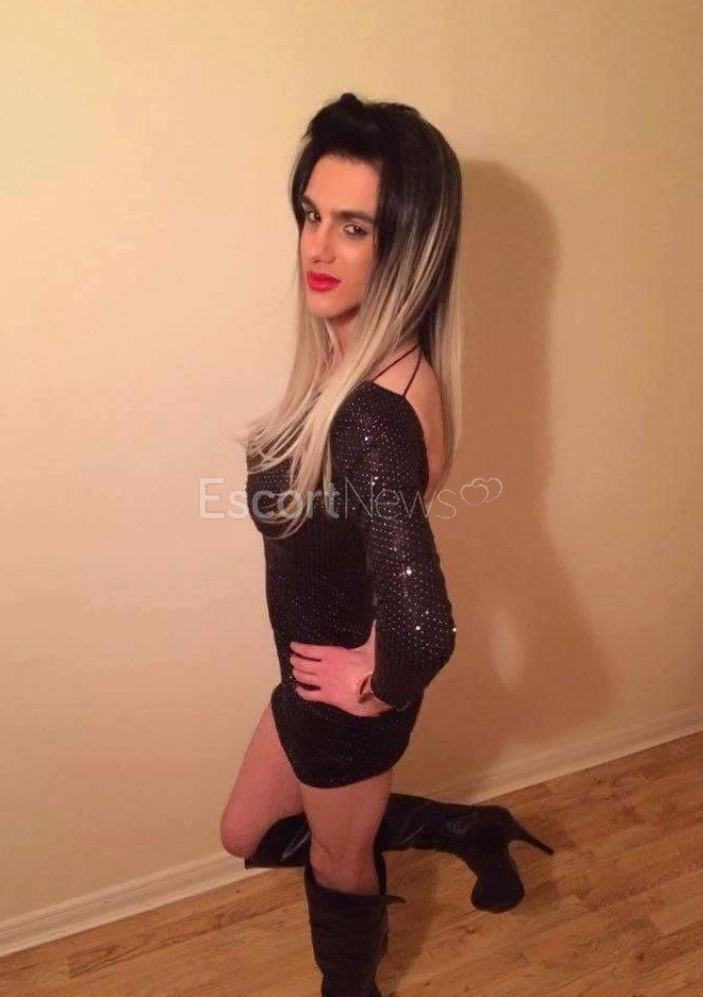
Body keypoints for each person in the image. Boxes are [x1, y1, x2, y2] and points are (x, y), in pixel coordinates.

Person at [220, 92, 553, 996]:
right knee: (246, 832)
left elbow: (424, 628)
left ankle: (351, 985)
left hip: (342, 705)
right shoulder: (363, 364)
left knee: (339, 859)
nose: (318, 248)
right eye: (311, 215)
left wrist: (377, 684)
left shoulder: (370, 413)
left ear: (408, 247)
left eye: (355, 227)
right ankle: (463, 827)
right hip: (306, 676)